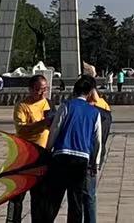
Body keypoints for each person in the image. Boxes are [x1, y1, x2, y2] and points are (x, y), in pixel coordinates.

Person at [34, 76, 105, 223]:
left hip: (62, 155)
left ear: (75, 90)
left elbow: (55, 129)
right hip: (81, 159)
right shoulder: (95, 112)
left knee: (54, 198)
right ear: (90, 93)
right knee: (75, 200)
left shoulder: (66, 106)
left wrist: (48, 150)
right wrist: (95, 163)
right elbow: (97, 140)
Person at [7, 76, 53, 223]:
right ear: (31, 89)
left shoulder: (49, 104)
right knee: (17, 195)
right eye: (39, 90)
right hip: (25, 156)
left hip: (43, 157)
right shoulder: (22, 106)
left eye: (45, 89)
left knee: (39, 195)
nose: (43, 93)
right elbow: (21, 129)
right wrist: (42, 123)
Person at [80, 67, 113, 223]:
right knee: (88, 193)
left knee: (86, 194)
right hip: (95, 154)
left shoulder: (94, 109)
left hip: (88, 154)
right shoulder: (104, 105)